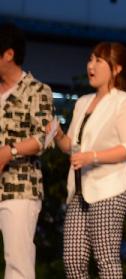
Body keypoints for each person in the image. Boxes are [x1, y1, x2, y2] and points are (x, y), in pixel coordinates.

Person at [54, 42, 126, 279]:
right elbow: (70, 146)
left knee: (105, 256)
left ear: (116, 69)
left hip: (110, 188)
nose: (91, 66)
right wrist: (56, 132)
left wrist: (92, 156)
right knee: (73, 259)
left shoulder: (124, 102)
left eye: (98, 61)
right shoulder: (82, 102)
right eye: (90, 59)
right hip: (80, 189)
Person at [0, 23, 55, 279]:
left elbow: (47, 136)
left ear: (8, 54)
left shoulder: (37, 90)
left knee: (17, 262)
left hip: (19, 187)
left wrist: (9, 152)